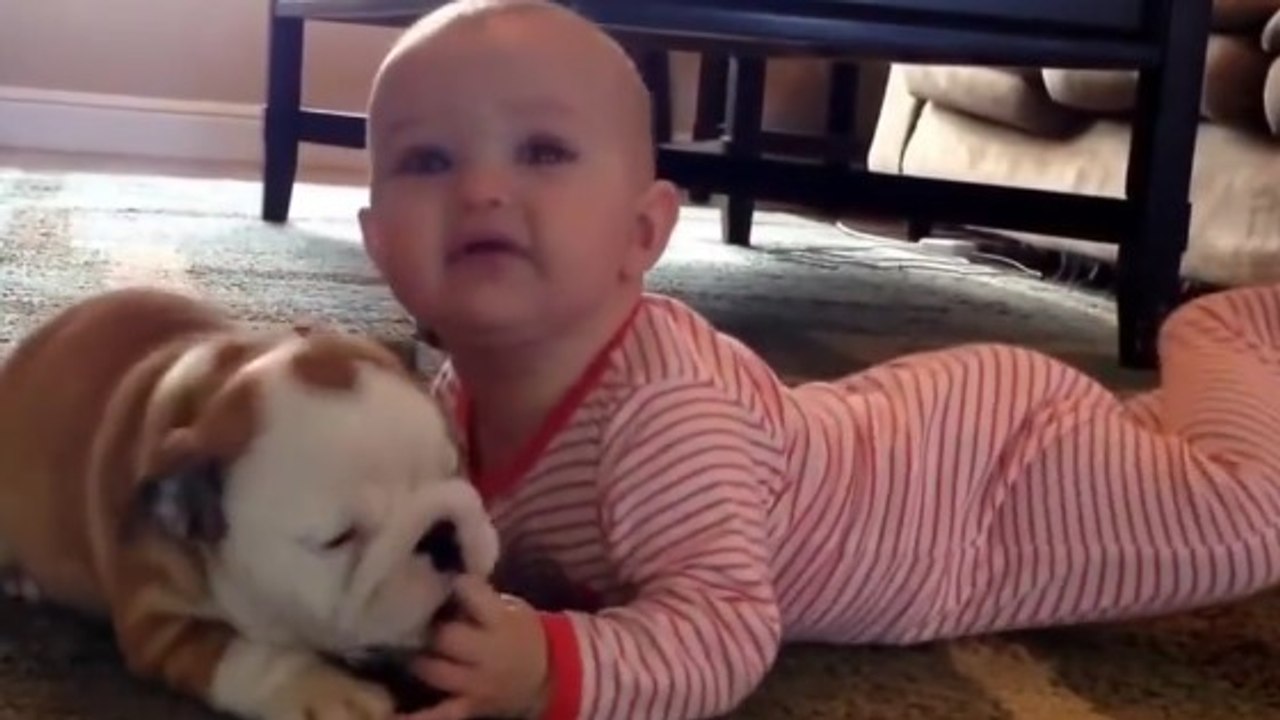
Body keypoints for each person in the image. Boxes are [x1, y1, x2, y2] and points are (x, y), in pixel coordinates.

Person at [355, 1, 1280, 718]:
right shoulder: (451, 404)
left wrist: (546, 667)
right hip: (911, 431)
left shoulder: (663, 414)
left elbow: (725, 632)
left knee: (1247, 515)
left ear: (643, 233)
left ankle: (1221, 334)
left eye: (542, 150)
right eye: (428, 160)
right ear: (375, 242)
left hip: (989, 488)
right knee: (1161, 454)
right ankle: (1176, 410)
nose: (480, 189)